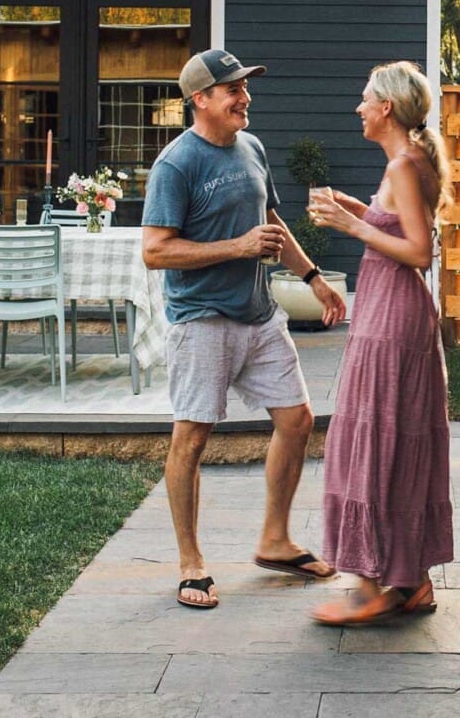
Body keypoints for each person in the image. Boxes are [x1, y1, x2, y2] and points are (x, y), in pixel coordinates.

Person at [142, 48, 346, 610]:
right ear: (199, 99)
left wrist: (312, 279)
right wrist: (236, 247)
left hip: (258, 315)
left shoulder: (252, 148)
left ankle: (274, 540)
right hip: (202, 320)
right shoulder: (176, 165)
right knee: (192, 438)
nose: (245, 97)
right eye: (232, 89)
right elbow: (155, 252)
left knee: (298, 418)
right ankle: (191, 563)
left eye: (245, 86)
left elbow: (271, 224)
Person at [309, 60, 453, 626]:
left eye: (365, 99)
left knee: (371, 440)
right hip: (394, 314)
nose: (359, 107)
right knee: (395, 441)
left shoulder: (402, 165)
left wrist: (353, 228)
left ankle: (371, 589)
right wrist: (350, 204)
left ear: (386, 108)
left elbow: (420, 252)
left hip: (393, 318)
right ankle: (411, 582)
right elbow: (398, 221)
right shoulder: (409, 162)